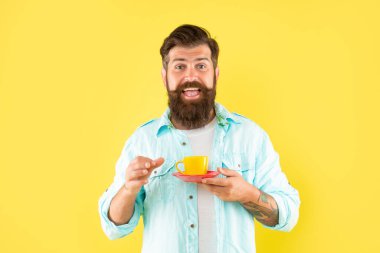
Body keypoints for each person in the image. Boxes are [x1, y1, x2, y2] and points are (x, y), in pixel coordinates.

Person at [98, 24, 300, 253]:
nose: (191, 76)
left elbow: (289, 215)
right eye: (180, 66)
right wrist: (129, 189)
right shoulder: (143, 140)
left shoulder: (249, 137)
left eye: (201, 66)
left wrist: (248, 194)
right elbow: (113, 227)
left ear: (215, 74)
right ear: (165, 77)